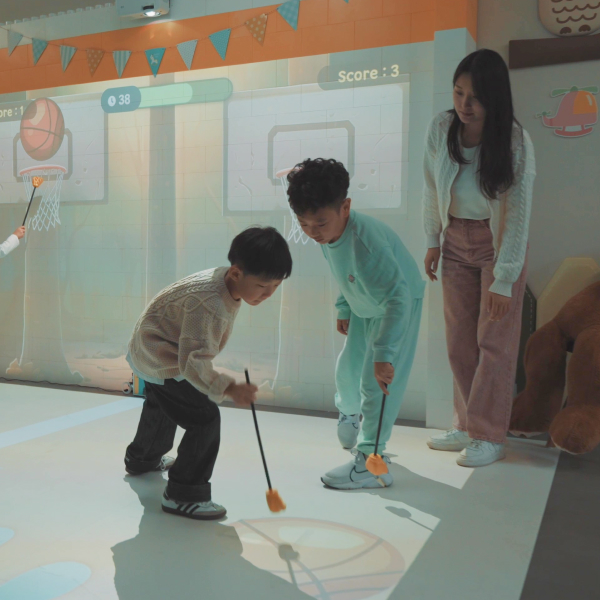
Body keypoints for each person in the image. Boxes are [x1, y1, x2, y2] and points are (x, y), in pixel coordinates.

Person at [124, 226, 292, 519]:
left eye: (276, 286)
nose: (268, 294)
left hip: (149, 349)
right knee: (204, 418)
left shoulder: (225, 282)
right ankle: (183, 494)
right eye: (263, 286)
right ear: (237, 273)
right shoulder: (210, 303)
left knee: (162, 404)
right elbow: (193, 363)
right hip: (160, 356)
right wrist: (228, 388)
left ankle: (142, 460)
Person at [422, 49, 536, 467]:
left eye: (475, 97)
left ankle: (489, 435)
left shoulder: (515, 140)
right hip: (454, 238)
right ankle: (468, 423)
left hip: (497, 244)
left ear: (495, 98)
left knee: (494, 343)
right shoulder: (442, 127)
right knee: (459, 341)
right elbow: (430, 184)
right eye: (458, 92)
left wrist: (504, 279)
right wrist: (432, 239)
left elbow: (518, 213)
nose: (464, 105)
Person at [287, 158, 426, 490]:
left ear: (345, 207)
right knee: (348, 371)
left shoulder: (366, 243)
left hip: (397, 306)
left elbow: (398, 298)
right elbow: (346, 273)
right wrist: (345, 306)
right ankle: (351, 415)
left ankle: (371, 463)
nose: (312, 232)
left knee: (376, 383)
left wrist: (385, 354)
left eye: (320, 223)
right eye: (303, 223)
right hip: (366, 303)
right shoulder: (329, 235)